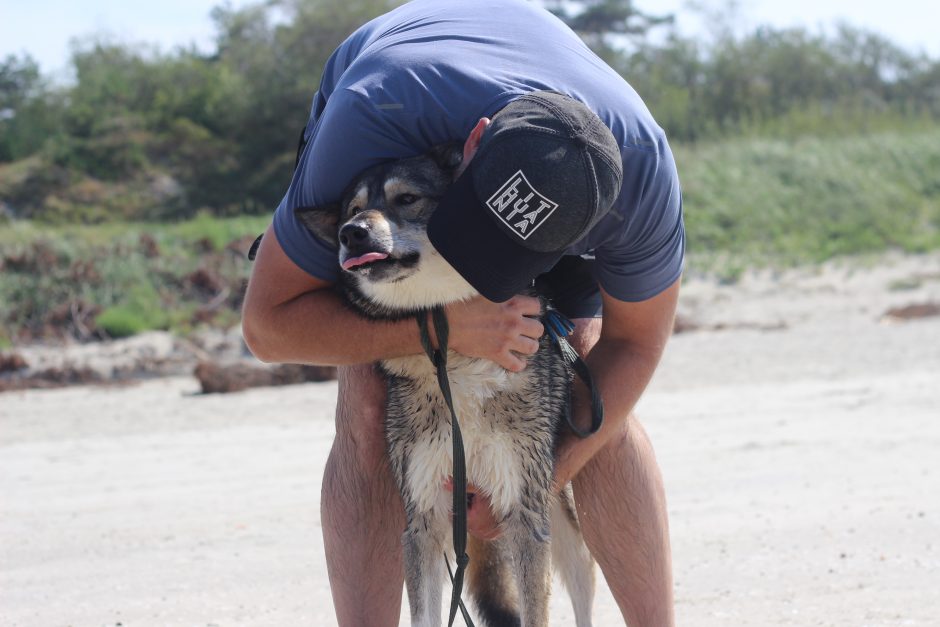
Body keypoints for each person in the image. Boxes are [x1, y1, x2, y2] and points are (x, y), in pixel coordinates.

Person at [242, 1, 684, 625]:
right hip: (403, 103)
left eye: (509, 261)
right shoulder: (372, 117)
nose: (484, 280)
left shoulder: (641, 179)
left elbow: (634, 346)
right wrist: (438, 326)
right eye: (473, 241)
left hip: (581, 156)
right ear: (472, 147)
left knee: (590, 383)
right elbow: (265, 328)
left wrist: (535, 482)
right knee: (370, 404)